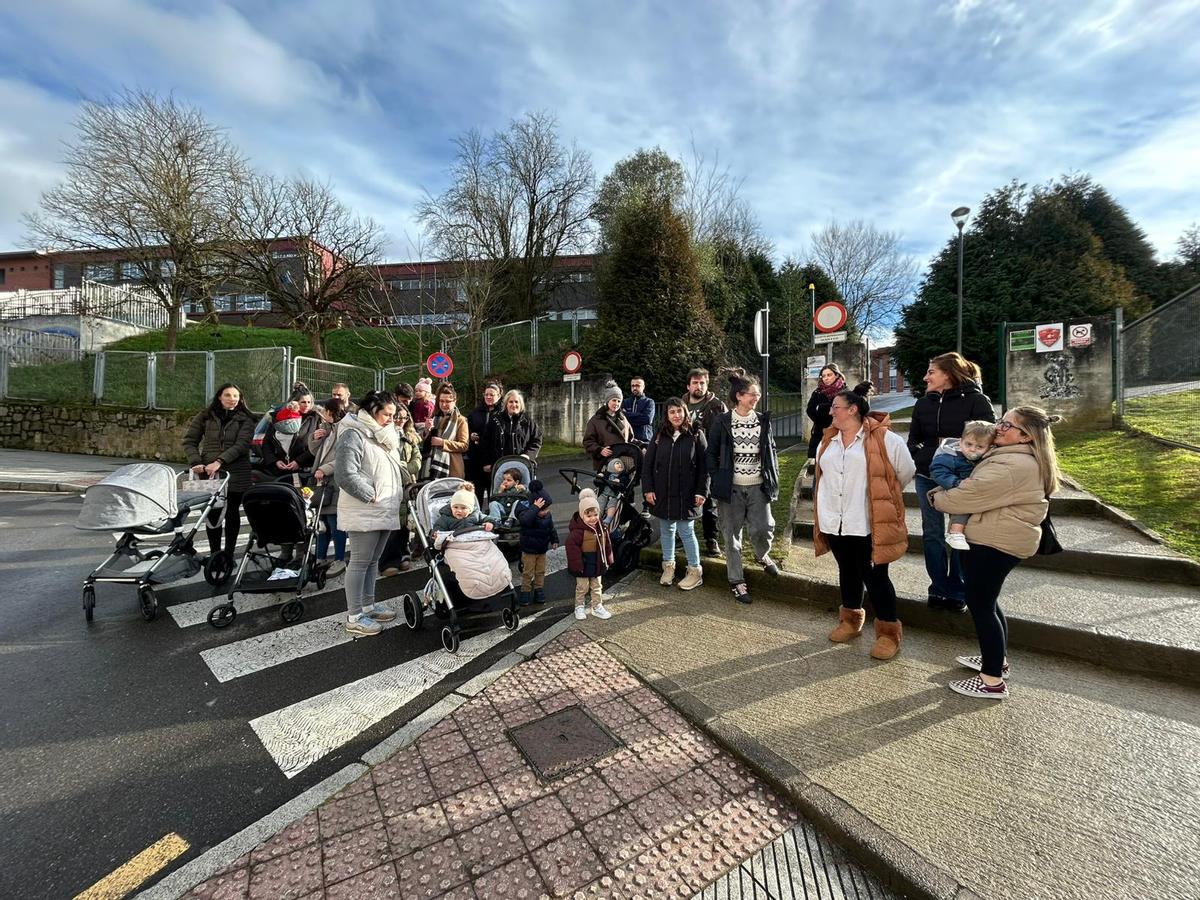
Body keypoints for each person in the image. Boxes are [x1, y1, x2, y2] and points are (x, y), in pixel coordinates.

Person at [931, 406, 1062, 699]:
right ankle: (997, 662)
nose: (998, 427)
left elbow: (965, 496)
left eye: (1006, 425)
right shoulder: (1012, 457)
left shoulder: (1012, 466)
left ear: (1025, 436)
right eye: (1001, 422)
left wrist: (936, 496)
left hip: (995, 542)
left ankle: (991, 682)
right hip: (997, 537)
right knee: (987, 602)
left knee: (981, 605)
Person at [816, 388, 916, 660]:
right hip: (834, 521)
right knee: (847, 570)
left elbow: (905, 472)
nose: (830, 411)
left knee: (876, 577)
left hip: (868, 523)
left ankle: (888, 633)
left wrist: (882, 498)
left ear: (853, 410)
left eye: (836, 407)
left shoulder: (886, 439)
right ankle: (850, 620)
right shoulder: (828, 440)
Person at [907, 352, 996, 612]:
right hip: (926, 477)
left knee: (958, 535)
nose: (926, 377)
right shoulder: (923, 403)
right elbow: (913, 439)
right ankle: (938, 587)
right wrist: (921, 453)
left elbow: (990, 439)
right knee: (932, 535)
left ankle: (958, 590)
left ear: (948, 374)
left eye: (931, 372)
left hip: (962, 481)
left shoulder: (977, 401)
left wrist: (964, 460)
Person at [706, 368, 780, 605]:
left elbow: (771, 451)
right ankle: (737, 581)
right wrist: (718, 478)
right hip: (732, 489)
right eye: (751, 394)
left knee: (764, 528)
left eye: (757, 394)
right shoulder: (722, 421)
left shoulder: (762, 421)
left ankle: (762, 555)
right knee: (732, 537)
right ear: (738, 396)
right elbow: (711, 454)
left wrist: (772, 475)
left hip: (758, 486)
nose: (756, 398)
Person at [335, 390, 406, 636]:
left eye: (393, 415)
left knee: (372, 562)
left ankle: (368, 604)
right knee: (359, 562)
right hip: (365, 508)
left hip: (383, 507)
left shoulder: (382, 435)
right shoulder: (353, 432)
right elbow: (345, 474)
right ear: (373, 410)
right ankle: (354, 616)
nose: (391, 419)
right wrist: (370, 494)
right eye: (387, 414)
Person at [182, 383, 256, 564]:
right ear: (219, 397)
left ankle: (229, 554)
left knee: (231, 512)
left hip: (236, 472)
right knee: (213, 513)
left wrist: (219, 461)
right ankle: (215, 554)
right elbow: (190, 441)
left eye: (236, 396)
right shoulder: (205, 417)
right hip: (209, 472)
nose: (232, 399)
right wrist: (196, 462)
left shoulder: (245, 419)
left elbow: (242, 444)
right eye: (228, 395)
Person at [643, 397, 708, 591]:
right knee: (666, 531)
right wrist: (648, 488)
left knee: (686, 532)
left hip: (687, 493)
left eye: (679, 411)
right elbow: (648, 465)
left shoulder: (696, 434)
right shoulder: (659, 435)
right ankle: (668, 567)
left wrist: (702, 491)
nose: (676, 415)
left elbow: (704, 467)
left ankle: (695, 571)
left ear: (685, 412)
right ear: (667, 415)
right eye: (672, 412)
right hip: (663, 492)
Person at [930, 421, 996, 551]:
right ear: (961, 442)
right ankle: (955, 533)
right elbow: (937, 471)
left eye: (980, 447)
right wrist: (955, 483)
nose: (972, 449)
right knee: (963, 508)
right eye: (969, 444)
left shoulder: (982, 458)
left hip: (974, 489)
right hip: (957, 487)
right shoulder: (949, 456)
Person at [684, 368, 727, 557]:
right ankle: (683, 534)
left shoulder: (717, 405)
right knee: (684, 497)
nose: (698, 386)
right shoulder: (680, 404)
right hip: (685, 460)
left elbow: (726, 434)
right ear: (688, 385)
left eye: (702, 383)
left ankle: (711, 539)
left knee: (709, 501)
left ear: (707, 384)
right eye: (695, 382)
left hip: (709, 460)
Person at [379, 402, 422, 577]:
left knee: (405, 523)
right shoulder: (384, 435)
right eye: (398, 417)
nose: (401, 421)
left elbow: (417, 460)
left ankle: (403, 554)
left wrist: (404, 466)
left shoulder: (409, 437)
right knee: (392, 524)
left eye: (405, 418)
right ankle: (387, 561)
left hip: (408, 484)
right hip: (390, 483)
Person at [309, 398, 348, 576]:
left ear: (332, 412)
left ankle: (339, 559)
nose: (323, 414)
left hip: (335, 483)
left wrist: (324, 469)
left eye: (325, 411)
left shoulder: (345, 429)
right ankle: (320, 557)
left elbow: (344, 456)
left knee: (335, 523)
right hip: (322, 482)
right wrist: (315, 438)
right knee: (321, 524)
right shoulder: (328, 428)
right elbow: (315, 451)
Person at [566, 488, 613, 621]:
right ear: (582, 515)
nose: (593, 518)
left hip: (597, 563)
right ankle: (579, 606)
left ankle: (597, 606)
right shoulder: (577, 532)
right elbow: (572, 549)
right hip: (583, 565)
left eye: (595, 514)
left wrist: (608, 559)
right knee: (582, 587)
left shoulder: (601, 528)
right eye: (588, 515)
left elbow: (607, 545)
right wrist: (577, 565)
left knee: (597, 586)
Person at [515, 479, 559, 606]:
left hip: (541, 549)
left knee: (540, 571)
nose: (546, 512)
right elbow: (525, 521)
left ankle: (539, 589)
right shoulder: (527, 512)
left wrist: (554, 539)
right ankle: (525, 591)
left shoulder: (547, 516)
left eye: (547, 509)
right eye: (543, 510)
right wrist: (535, 508)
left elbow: (551, 527)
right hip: (529, 549)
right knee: (528, 572)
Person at [484, 389, 543, 473]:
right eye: (510, 402)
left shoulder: (528, 422)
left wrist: (528, 455)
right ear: (506, 404)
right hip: (499, 466)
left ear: (521, 404)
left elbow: (536, 440)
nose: (514, 404)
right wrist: (487, 462)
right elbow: (486, 442)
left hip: (523, 466)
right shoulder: (495, 420)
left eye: (516, 402)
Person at [582, 382, 633, 471]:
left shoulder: (623, 419)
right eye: (613, 400)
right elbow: (588, 441)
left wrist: (642, 445)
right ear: (607, 401)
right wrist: (599, 450)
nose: (616, 403)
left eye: (619, 401)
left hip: (625, 463)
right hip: (605, 462)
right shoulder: (596, 420)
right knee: (608, 484)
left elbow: (630, 440)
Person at [424, 383, 470, 479]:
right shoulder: (434, 418)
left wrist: (443, 443)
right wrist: (427, 430)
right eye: (441, 401)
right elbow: (426, 443)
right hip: (432, 465)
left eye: (448, 401)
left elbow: (464, 446)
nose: (444, 404)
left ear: (455, 401)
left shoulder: (461, 420)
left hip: (452, 467)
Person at [466, 381, 503, 502]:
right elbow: (467, 430)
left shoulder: (503, 414)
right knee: (477, 493)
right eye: (486, 394)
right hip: (477, 460)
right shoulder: (475, 413)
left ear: (499, 395)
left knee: (495, 493)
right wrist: (471, 435)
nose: (488, 397)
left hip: (496, 459)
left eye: (492, 395)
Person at [806, 364, 846, 459]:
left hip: (840, 432)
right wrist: (820, 420)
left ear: (836, 375)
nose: (826, 378)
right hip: (820, 432)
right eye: (823, 376)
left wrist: (821, 408)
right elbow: (810, 410)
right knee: (817, 461)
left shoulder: (845, 392)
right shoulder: (817, 392)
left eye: (829, 375)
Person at [431, 483, 498, 533]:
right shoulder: (446, 518)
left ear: (470, 509)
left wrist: (490, 523)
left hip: (474, 540)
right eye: (455, 507)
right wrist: (436, 534)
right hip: (455, 543)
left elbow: (487, 518)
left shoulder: (476, 515)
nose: (459, 510)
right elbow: (438, 527)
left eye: (463, 508)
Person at [595, 458, 630, 530]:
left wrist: (619, 480)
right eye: (617, 463)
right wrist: (600, 475)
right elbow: (597, 482)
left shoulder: (623, 476)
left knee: (612, 505)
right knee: (600, 504)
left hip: (614, 495)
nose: (620, 464)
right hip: (604, 494)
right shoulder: (606, 474)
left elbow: (626, 481)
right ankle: (597, 517)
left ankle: (608, 518)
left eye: (621, 464)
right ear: (611, 466)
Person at [622, 377, 656, 443]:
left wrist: (627, 415)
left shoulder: (649, 402)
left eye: (637, 385)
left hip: (645, 440)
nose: (634, 388)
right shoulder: (625, 402)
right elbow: (622, 418)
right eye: (633, 386)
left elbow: (647, 419)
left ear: (643, 387)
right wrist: (640, 415)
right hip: (628, 439)